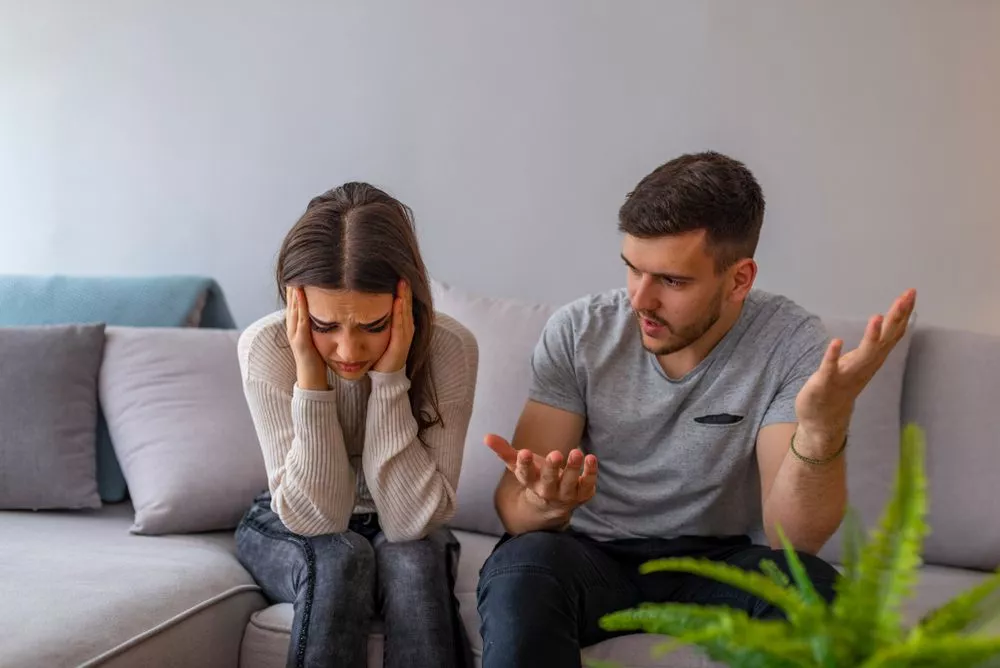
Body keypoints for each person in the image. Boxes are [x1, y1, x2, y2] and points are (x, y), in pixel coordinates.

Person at [476, 151, 916, 667]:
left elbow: (791, 541)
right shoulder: (580, 331)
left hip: (723, 561)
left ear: (739, 280)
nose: (641, 299)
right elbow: (515, 508)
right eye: (632, 270)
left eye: (671, 280)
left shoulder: (790, 342)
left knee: (817, 596)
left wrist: (822, 430)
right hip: (592, 553)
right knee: (521, 569)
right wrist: (547, 504)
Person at [235, 182, 479, 668]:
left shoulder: (450, 350)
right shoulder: (268, 348)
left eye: (373, 326)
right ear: (295, 302)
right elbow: (317, 521)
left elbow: (411, 524)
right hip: (288, 513)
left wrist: (390, 379)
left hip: (403, 518)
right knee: (342, 555)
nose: (348, 352)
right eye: (325, 326)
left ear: (406, 304)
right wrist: (310, 375)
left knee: (411, 560)